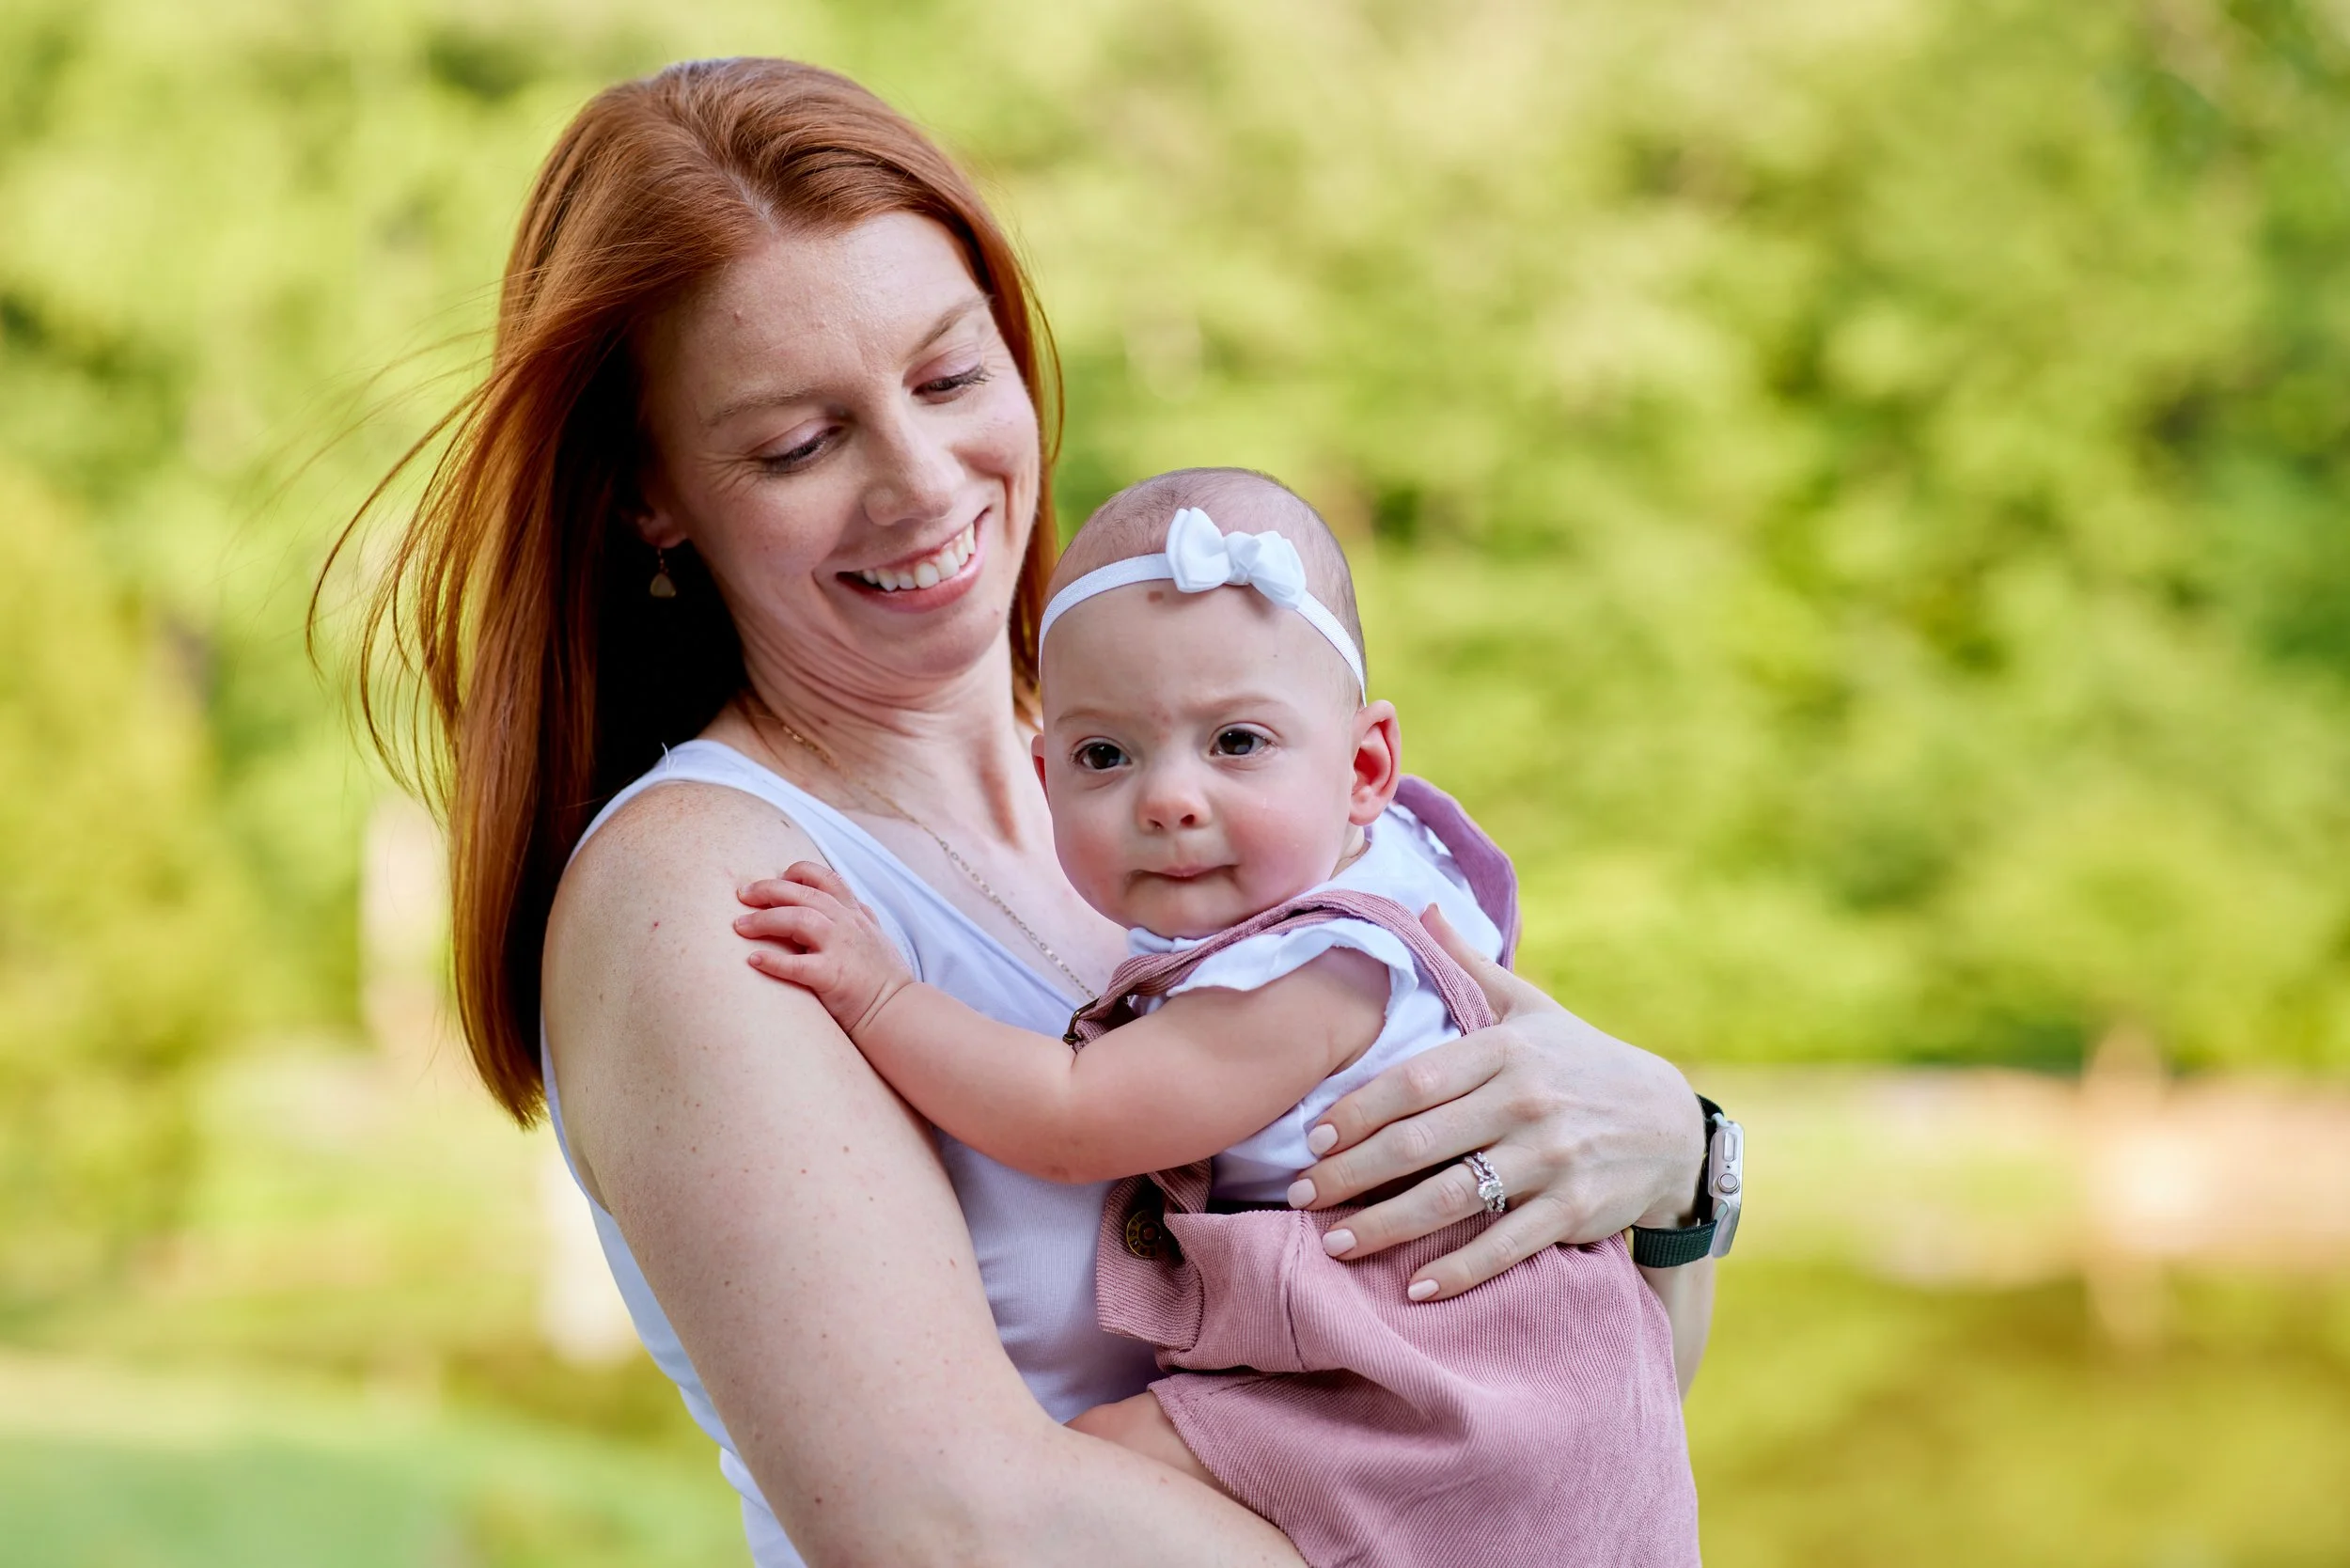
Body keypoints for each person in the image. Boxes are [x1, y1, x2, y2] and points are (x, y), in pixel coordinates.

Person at [331, 56, 1718, 1568]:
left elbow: (1554, 1402)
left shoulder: (1192, 796)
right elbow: (948, 1528)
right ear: (651, 496)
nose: (921, 482)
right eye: (801, 444)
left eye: (947, 377)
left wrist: (1688, 1169)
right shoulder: (704, 896)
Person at [733, 468, 1700, 1567]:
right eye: (1107, 756)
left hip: (1434, 1391)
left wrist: (880, 993)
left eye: (1236, 742)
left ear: (1364, 765)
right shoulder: (1402, 858)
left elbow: (1072, 1118)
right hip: (1512, 1377)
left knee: (1085, 1469)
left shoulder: (1315, 972)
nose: (1169, 798)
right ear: (1047, 777)